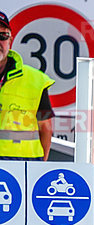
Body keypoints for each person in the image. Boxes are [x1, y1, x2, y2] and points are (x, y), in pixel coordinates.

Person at [0, 11, 55, 161]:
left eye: (2, 36)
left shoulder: (35, 80)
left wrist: (39, 169)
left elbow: (45, 128)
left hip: (22, 171)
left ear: (10, 40)